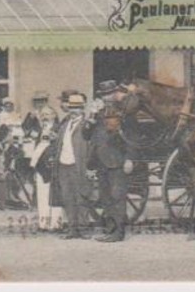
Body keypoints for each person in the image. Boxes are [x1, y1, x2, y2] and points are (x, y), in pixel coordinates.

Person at [41, 91, 95, 239]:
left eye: (77, 107)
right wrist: (53, 156)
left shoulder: (87, 124)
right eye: (71, 107)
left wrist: (91, 166)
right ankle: (72, 229)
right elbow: (58, 143)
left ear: (82, 109)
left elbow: (92, 145)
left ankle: (83, 229)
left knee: (81, 197)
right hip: (63, 164)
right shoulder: (65, 125)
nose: (74, 110)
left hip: (79, 165)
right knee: (67, 197)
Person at [88, 83, 134, 243]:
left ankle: (118, 233)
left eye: (110, 94)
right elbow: (86, 134)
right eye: (104, 95)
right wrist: (91, 117)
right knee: (106, 198)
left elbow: (131, 137)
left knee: (117, 197)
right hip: (100, 161)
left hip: (117, 161)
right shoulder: (97, 113)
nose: (107, 97)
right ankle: (110, 230)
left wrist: (129, 158)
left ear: (115, 94)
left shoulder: (124, 113)